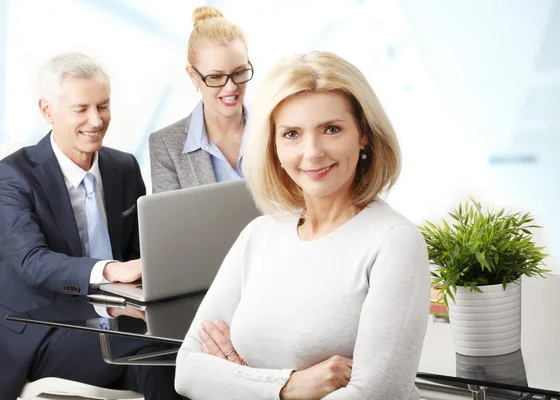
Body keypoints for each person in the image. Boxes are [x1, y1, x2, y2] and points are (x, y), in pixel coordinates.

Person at [174, 51, 431, 399]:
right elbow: (188, 371)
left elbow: (375, 393)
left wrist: (238, 380)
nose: (312, 152)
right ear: (274, 145)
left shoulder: (394, 242)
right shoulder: (259, 235)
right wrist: (290, 386)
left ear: (363, 135)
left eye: (332, 129)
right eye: (292, 134)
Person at [0, 52, 181, 400]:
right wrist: (109, 270)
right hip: (42, 331)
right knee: (153, 356)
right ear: (47, 111)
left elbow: (139, 254)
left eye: (103, 106)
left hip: (118, 321)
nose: (96, 120)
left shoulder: (123, 167)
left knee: (183, 356)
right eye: (81, 109)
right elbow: (30, 260)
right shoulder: (12, 175)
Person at [149, 6, 253, 193]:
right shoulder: (166, 145)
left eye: (239, 72)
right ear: (193, 76)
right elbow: (172, 220)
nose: (231, 87)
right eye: (215, 77)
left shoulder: (277, 126)